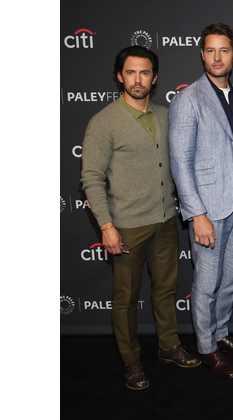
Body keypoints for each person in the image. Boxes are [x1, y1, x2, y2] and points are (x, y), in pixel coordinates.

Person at [81, 45, 200, 390]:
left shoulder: (166, 115)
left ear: (155, 77)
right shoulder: (104, 122)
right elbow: (91, 177)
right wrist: (106, 226)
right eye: (131, 72)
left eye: (144, 72)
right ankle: (131, 360)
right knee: (126, 298)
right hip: (126, 227)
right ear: (120, 76)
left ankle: (168, 346)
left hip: (165, 222)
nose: (138, 79)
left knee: (165, 290)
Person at [169, 23, 233, 379]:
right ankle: (206, 347)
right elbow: (179, 161)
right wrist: (196, 214)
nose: (217, 57)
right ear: (202, 54)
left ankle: (220, 333)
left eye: (224, 51)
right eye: (210, 51)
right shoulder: (189, 99)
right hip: (208, 207)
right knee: (206, 283)